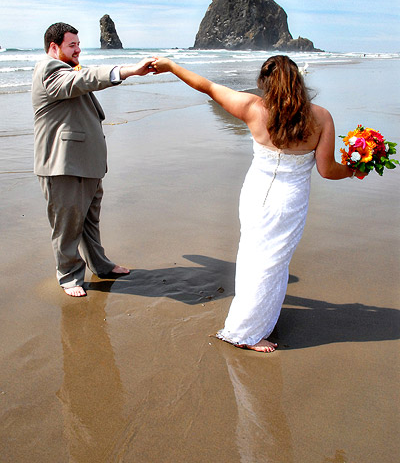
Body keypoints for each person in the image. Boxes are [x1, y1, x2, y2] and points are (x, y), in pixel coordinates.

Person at [152, 55, 366, 352]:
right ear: (298, 80)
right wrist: (355, 169)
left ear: (265, 83)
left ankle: (258, 319)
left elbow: (207, 87)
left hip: (254, 194)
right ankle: (245, 332)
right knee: (273, 262)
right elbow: (328, 170)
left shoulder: (252, 107)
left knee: (253, 257)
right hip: (289, 201)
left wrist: (172, 67)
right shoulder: (320, 117)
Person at [32, 22, 155, 297]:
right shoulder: (49, 70)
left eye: (78, 44)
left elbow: (83, 78)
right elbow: (86, 79)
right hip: (63, 165)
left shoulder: (69, 70)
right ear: (54, 47)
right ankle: (68, 276)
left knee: (89, 222)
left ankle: (100, 265)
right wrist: (127, 70)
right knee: (67, 226)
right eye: (71, 45)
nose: (78, 50)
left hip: (86, 164)